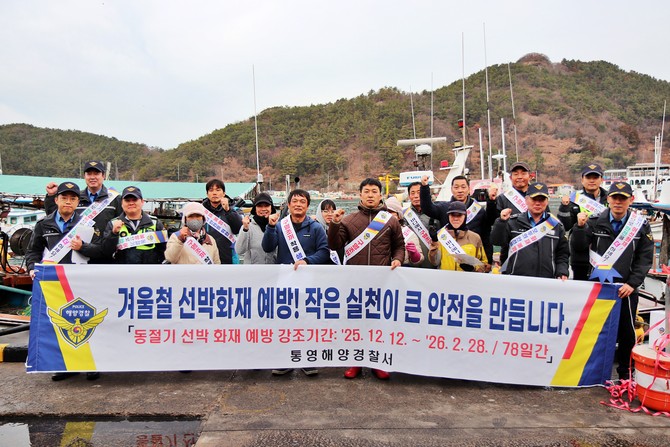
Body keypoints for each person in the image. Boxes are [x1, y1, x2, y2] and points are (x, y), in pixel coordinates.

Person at [569, 182, 654, 379]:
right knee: (592, 330)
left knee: (627, 331)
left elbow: (644, 258)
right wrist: (579, 227)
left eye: (623, 198)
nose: (618, 202)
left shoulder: (640, 225)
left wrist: (632, 283)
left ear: (631, 200)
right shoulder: (593, 221)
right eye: (615, 197)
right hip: (598, 287)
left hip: (626, 288)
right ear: (608, 199)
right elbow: (579, 249)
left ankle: (626, 374)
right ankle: (591, 373)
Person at [329, 178, 405, 380]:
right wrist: (334, 224)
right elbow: (335, 245)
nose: (370, 195)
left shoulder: (391, 221)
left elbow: (399, 246)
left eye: (374, 191)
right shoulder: (349, 220)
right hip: (355, 282)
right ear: (360, 194)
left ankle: (377, 362)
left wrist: (398, 259)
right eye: (367, 191)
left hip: (382, 281)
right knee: (356, 323)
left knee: (379, 323)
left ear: (380, 195)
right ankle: (355, 362)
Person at [26, 182, 103, 381]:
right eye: (64, 198)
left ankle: (90, 364)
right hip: (55, 283)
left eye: (72, 198)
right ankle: (64, 365)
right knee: (60, 324)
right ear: (57, 199)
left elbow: (100, 251)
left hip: (82, 281)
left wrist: (83, 246)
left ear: (78, 202)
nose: (68, 202)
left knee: (87, 321)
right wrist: (32, 268)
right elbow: (33, 251)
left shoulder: (87, 224)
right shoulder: (43, 224)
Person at [262, 189, 330, 377]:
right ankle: (285, 360)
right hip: (286, 282)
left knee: (308, 321)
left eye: (302, 201)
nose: (298, 204)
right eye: (295, 201)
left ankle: (307, 360)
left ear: (308, 206)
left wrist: (307, 261)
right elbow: (267, 247)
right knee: (285, 322)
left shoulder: (316, 228)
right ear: (289, 205)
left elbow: (324, 252)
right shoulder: (280, 226)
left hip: (309, 283)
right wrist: (270, 227)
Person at [44, 161, 122, 263]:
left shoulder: (115, 199)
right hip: (77, 255)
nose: (92, 177)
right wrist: (51, 196)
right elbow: (55, 217)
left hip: (105, 256)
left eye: (96, 173)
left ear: (103, 176)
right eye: (89, 174)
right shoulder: (75, 198)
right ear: (84, 176)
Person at [490, 182, 569, 279]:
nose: (537, 203)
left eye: (542, 199)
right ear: (526, 200)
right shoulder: (512, 222)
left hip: (546, 281)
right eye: (534, 199)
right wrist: (501, 222)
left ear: (547, 201)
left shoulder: (556, 226)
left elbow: (562, 254)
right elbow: (496, 241)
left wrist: (562, 272)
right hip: (515, 280)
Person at [420, 175, 494, 263]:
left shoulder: (478, 210)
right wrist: (424, 187)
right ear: (451, 190)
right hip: (448, 259)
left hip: (472, 262)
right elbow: (427, 209)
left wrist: (489, 260)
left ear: (469, 189)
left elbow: (486, 236)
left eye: (463, 187)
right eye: (456, 187)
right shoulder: (444, 208)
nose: (460, 190)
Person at [557, 163, 609, 280]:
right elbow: (564, 226)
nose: (592, 180)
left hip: (606, 255)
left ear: (601, 179)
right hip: (581, 257)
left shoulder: (611, 198)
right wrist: (564, 207)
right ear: (582, 180)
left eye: (595, 177)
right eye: (588, 177)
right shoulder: (573, 199)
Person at [102, 186, 167, 265]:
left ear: (142, 202)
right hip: (122, 271)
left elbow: (164, 251)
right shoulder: (113, 224)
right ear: (122, 203)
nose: (131, 203)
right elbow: (106, 251)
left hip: (148, 271)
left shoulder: (155, 223)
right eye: (127, 200)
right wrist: (113, 233)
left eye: (134, 200)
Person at [428, 201, 489, 272]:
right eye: (452, 215)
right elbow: (435, 262)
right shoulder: (441, 236)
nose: (456, 218)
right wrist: (434, 242)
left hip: (467, 278)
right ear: (448, 216)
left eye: (459, 215)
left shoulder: (475, 237)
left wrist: (473, 268)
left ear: (465, 216)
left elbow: (483, 263)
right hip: (445, 278)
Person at [201, 179, 243, 264]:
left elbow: (239, 229)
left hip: (228, 256)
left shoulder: (234, 210)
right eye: (211, 190)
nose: (214, 193)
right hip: (205, 256)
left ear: (224, 193)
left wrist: (228, 210)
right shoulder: (200, 211)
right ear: (207, 194)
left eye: (218, 190)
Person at [235, 192, 277, 264]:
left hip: (274, 269)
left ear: (271, 208)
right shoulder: (248, 226)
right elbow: (239, 251)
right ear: (255, 208)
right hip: (252, 270)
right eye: (259, 206)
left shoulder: (279, 226)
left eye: (266, 205)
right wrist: (245, 229)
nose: (263, 209)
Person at [403, 182, 437, 268]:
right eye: (412, 193)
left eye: (419, 192)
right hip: (411, 262)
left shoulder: (435, 212)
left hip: (432, 260)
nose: (416, 196)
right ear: (409, 196)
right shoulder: (403, 215)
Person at [384, 196, 424, 266]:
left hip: (401, 269)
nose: (388, 215)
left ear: (399, 216)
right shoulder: (377, 231)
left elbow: (419, 260)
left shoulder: (409, 234)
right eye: (385, 212)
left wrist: (415, 254)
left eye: (391, 212)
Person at [314, 199, 344, 264]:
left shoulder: (340, 228)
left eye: (333, 211)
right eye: (325, 211)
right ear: (320, 213)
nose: (330, 214)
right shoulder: (314, 228)